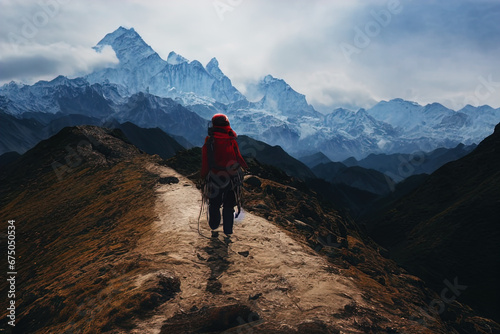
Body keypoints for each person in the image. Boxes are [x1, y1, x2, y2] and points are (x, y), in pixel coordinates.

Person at [201, 114, 248, 241]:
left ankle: (214, 227)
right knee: (229, 205)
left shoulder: (209, 141)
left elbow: (206, 161)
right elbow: (238, 156)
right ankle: (228, 232)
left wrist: (203, 175)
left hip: (215, 177)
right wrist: (245, 167)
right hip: (232, 178)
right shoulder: (231, 139)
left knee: (214, 203)